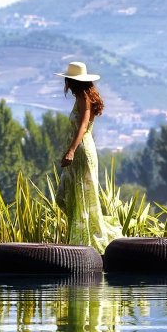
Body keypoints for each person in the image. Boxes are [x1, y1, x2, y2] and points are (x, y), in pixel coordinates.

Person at [55, 61, 119, 251]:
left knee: (81, 194)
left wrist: (71, 150)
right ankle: (80, 239)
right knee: (73, 194)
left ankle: (85, 242)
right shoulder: (82, 98)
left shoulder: (84, 98)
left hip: (82, 150)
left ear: (71, 82)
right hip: (81, 148)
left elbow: (83, 126)